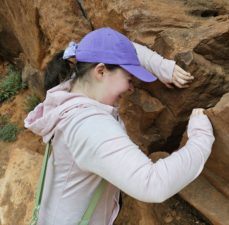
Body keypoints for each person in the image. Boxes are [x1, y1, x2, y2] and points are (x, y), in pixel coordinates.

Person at [24, 27, 215, 225]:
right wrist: (201, 137)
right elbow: (152, 184)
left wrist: (161, 66)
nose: (131, 88)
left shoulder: (72, 89)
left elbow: (118, 48)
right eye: (129, 78)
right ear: (100, 71)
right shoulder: (90, 127)